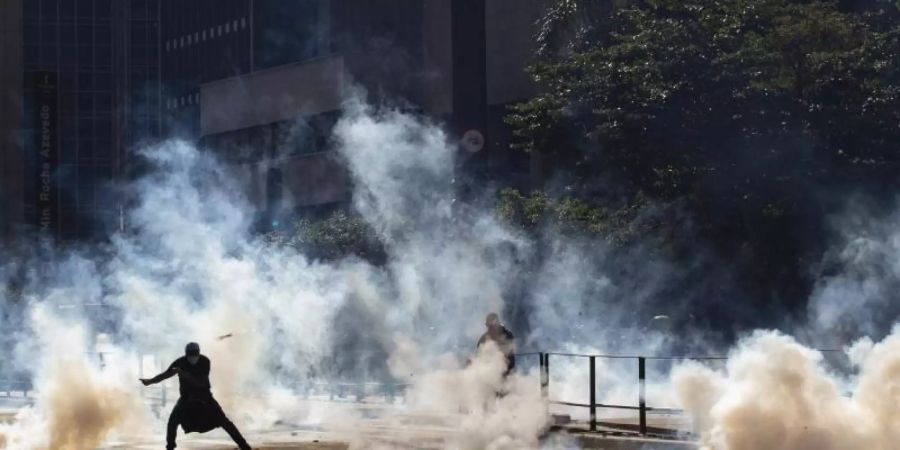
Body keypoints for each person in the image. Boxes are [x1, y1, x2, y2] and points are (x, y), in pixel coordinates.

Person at [140, 342, 251, 450]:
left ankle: (244, 446)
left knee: (224, 422)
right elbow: (165, 374)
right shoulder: (180, 362)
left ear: (198, 353)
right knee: (172, 421)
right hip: (186, 399)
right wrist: (150, 381)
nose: (193, 357)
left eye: (195, 354)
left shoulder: (204, 361)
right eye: (190, 355)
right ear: (186, 354)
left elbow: (201, 381)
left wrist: (185, 375)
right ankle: (170, 447)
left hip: (205, 397)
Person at [476, 313, 516, 377]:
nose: (489, 328)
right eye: (488, 326)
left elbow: (510, 356)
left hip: (507, 372)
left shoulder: (507, 335)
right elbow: (479, 352)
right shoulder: (484, 338)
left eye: (491, 326)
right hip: (489, 374)